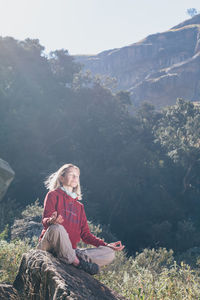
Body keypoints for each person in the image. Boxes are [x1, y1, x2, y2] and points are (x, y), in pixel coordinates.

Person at [37, 163, 124, 275]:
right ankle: (77, 262)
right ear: (61, 177)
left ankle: (72, 257)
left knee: (109, 253)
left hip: (69, 250)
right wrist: (51, 221)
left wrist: (106, 245)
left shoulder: (79, 207)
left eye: (77, 176)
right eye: (71, 174)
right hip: (49, 246)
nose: (75, 178)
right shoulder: (53, 195)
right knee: (57, 228)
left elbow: (86, 235)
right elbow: (45, 221)